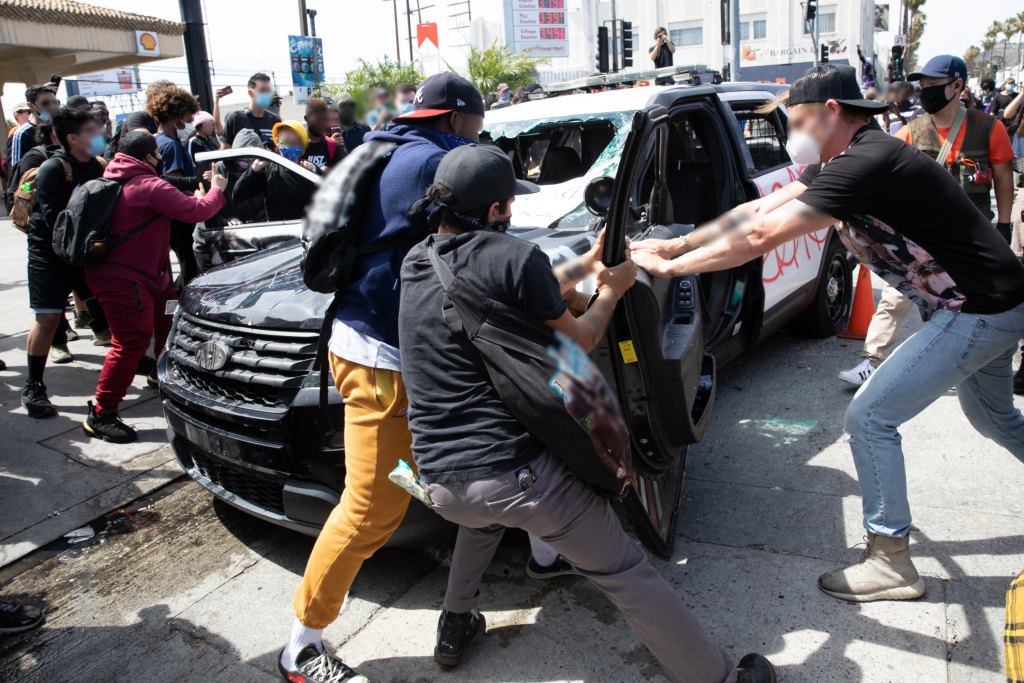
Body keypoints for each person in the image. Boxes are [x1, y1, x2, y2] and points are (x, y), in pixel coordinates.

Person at [631, 63, 1024, 604]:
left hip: (981, 311)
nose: (792, 135)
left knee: (870, 416)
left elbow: (762, 236)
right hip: (988, 306)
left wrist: (674, 270)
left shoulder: (869, 161)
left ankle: (891, 561)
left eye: (796, 121)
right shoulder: (847, 158)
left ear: (831, 113)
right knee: (993, 417)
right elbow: (756, 208)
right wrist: (672, 247)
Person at [396, 143, 776, 683]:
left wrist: (589, 262)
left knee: (482, 514)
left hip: (439, 480)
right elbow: (579, 338)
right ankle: (716, 677)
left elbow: (517, 287)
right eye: (508, 206)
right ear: (496, 211)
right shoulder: (512, 258)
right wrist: (611, 289)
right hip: (517, 480)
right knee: (624, 572)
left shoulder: (416, 261)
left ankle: (454, 624)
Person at [278, 72, 488, 683]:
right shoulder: (434, 161)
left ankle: (499, 544)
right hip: (379, 361)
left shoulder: (386, 143)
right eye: (476, 126)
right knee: (369, 508)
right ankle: (301, 647)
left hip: (383, 348)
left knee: (437, 466)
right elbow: (487, 221)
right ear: (456, 118)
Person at [837, 56, 1017, 386]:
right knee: (896, 296)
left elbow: (1005, 177)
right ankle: (872, 361)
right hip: (919, 239)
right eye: (922, 87)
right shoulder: (910, 132)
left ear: (958, 86)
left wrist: (1004, 225)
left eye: (933, 86)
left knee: (978, 305)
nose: (925, 92)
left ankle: (985, 365)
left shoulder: (988, 128)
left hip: (970, 241)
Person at [80, 131, 226, 442]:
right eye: (158, 155)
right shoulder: (148, 185)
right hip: (123, 278)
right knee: (131, 342)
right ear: (149, 157)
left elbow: (177, 197)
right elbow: (197, 211)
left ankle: (158, 376)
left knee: (167, 323)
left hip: (147, 277)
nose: (161, 160)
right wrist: (216, 190)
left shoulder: (119, 177)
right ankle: (102, 413)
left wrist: (196, 189)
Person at [21, 107, 109, 419]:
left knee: (112, 306)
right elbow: (54, 219)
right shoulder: (53, 169)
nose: (100, 134)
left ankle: (133, 360)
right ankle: (33, 385)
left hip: (83, 252)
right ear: (72, 138)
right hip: (50, 254)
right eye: (92, 130)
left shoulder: (98, 166)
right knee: (47, 320)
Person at [149, 87, 202, 290]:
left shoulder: (156, 141)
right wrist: (203, 200)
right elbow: (175, 185)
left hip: (163, 216)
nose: (189, 123)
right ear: (174, 118)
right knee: (189, 265)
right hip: (178, 218)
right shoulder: (171, 146)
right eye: (187, 118)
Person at [232, 121, 321, 223]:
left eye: (295, 142)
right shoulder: (268, 169)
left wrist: (315, 174)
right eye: (286, 141)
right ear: (278, 142)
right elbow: (238, 195)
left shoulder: (309, 169)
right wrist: (254, 169)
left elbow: (331, 195)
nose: (291, 146)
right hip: (279, 233)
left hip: (307, 231)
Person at [6, 84, 58, 176]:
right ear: (31, 105)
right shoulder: (21, 134)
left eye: (55, 102)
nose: (52, 106)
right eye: (45, 103)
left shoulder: (59, 128)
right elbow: (15, 171)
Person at [221, 73, 281, 150]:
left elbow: (279, 150)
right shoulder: (235, 118)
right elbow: (225, 151)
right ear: (250, 92)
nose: (266, 94)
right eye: (262, 90)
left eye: (268, 91)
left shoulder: (275, 120)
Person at [302, 98, 345, 170]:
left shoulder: (332, 145)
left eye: (325, 119)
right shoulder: (297, 145)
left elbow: (340, 173)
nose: (322, 124)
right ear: (306, 118)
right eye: (318, 120)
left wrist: (328, 171)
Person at [187, 110, 220, 179]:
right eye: (209, 124)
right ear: (200, 125)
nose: (212, 127)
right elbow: (194, 164)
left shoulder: (213, 140)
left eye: (212, 124)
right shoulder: (193, 142)